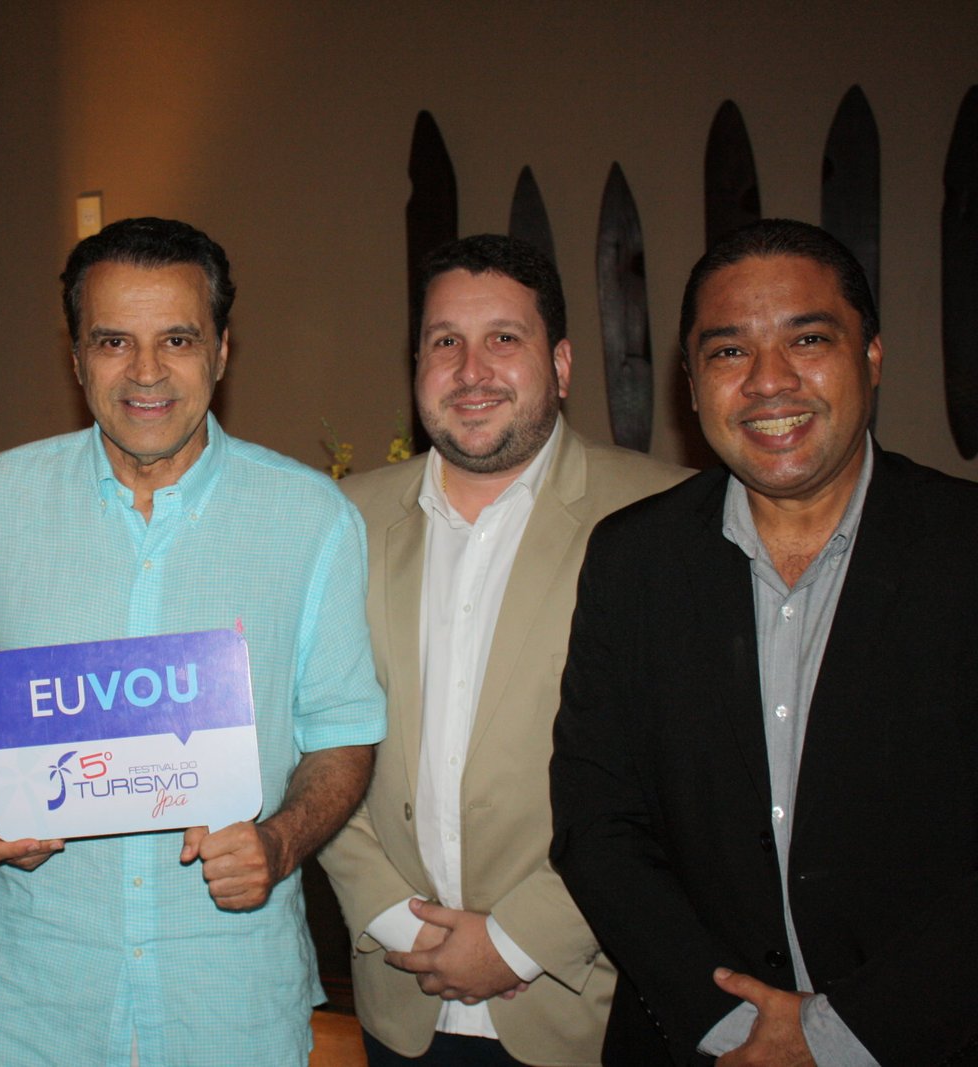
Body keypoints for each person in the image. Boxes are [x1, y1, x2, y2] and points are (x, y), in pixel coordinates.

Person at [0, 216, 387, 1066]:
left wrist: (280, 841)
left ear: (221, 350)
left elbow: (343, 731)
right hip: (19, 1011)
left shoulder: (311, 519)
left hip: (228, 1011)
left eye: (177, 339)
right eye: (114, 341)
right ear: (77, 357)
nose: (146, 372)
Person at [551, 218, 978, 1065]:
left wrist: (839, 1034)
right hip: (698, 1041)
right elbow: (598, 823)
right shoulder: (633, 559)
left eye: (808, 339)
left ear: (872, 356)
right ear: (690, 384)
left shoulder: (963, 549)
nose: (768, 381)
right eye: (728, 351)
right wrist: (732, 1024)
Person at [320, 234, 685, 1066]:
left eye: (504, 338)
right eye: (445, 340)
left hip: (587, 1006)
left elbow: (686, 780)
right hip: (399, 997)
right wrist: (393, 919)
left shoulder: (666, 517)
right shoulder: (340, 521)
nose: (471, 369)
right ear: (417, 364)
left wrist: (523, 938)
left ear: (561, 364)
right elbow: (310, 734)